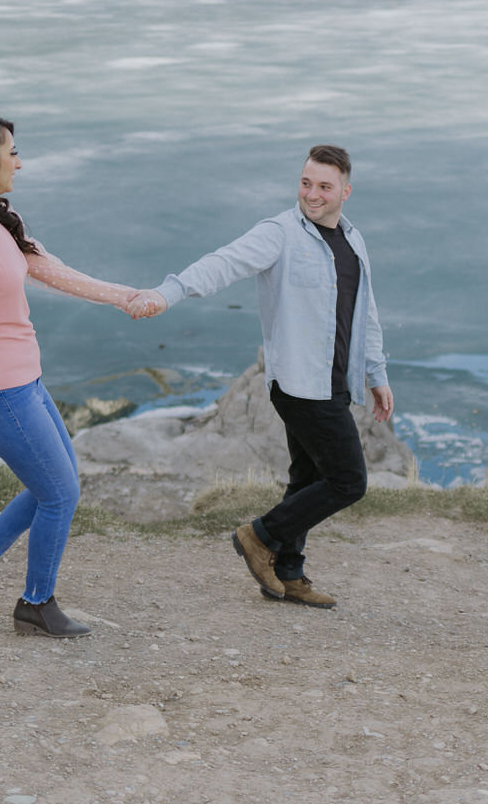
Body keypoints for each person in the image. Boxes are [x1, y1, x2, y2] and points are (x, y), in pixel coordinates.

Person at [128, 145, 393, 609]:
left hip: (336, 379)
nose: (312, 194)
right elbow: (223, 262)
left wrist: (376, 373)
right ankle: (259, 535)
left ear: (345, 192)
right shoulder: (280, 234)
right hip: (298, 384)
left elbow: (364, 312)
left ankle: (290, 574)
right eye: (306, 182)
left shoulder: (353, 241)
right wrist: (167, 292)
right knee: (349, 481)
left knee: (307, 479)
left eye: (324, 186)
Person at [0, 111, 138, 639]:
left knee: (57, 486)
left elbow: (57, 272)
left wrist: (129, 298)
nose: (20, 161)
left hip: (24, 382)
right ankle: (37, 604)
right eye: (11, 152)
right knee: (58, 493)